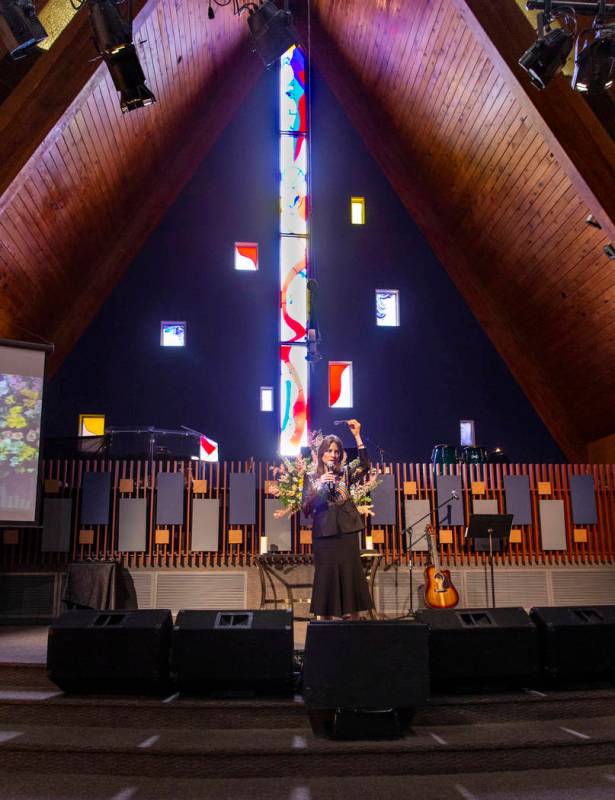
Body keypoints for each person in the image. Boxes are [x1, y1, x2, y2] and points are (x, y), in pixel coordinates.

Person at [302, 419, 373, 620]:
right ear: (321, 453)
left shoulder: (346, 474)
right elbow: (305, 508)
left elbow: (365, 465)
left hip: (347, 532)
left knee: (351, 578)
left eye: (337, 451)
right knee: (326, 580)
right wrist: (318, 488)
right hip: (324, 535)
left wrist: (357, 436)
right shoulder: (311, 477)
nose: (333, 454)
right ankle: (324, 628)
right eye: (330, 450)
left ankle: (352, 627)